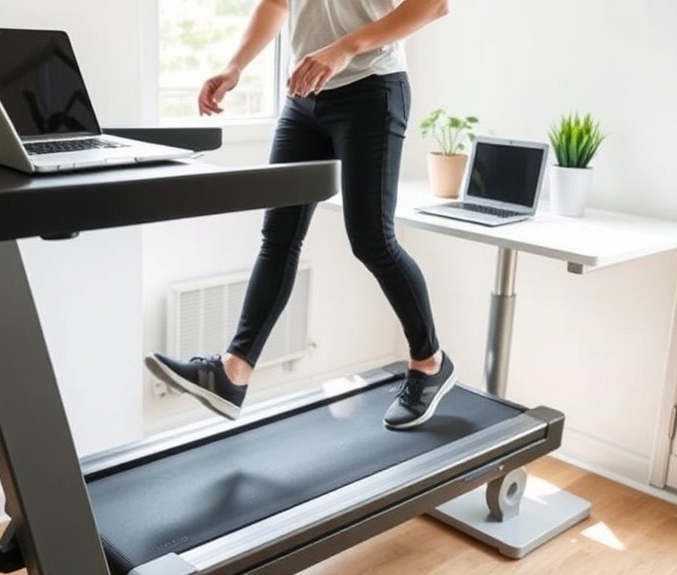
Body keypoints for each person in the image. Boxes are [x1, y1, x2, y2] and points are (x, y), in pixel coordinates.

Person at [146, 0, 454, 430]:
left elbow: (435, 6)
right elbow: (276, 3)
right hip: (305, 99)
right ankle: (234, 372)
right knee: (278, 238)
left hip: (371, 88)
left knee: (371, 240)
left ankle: (429, 361)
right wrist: (235, 67)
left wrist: (345, 47)